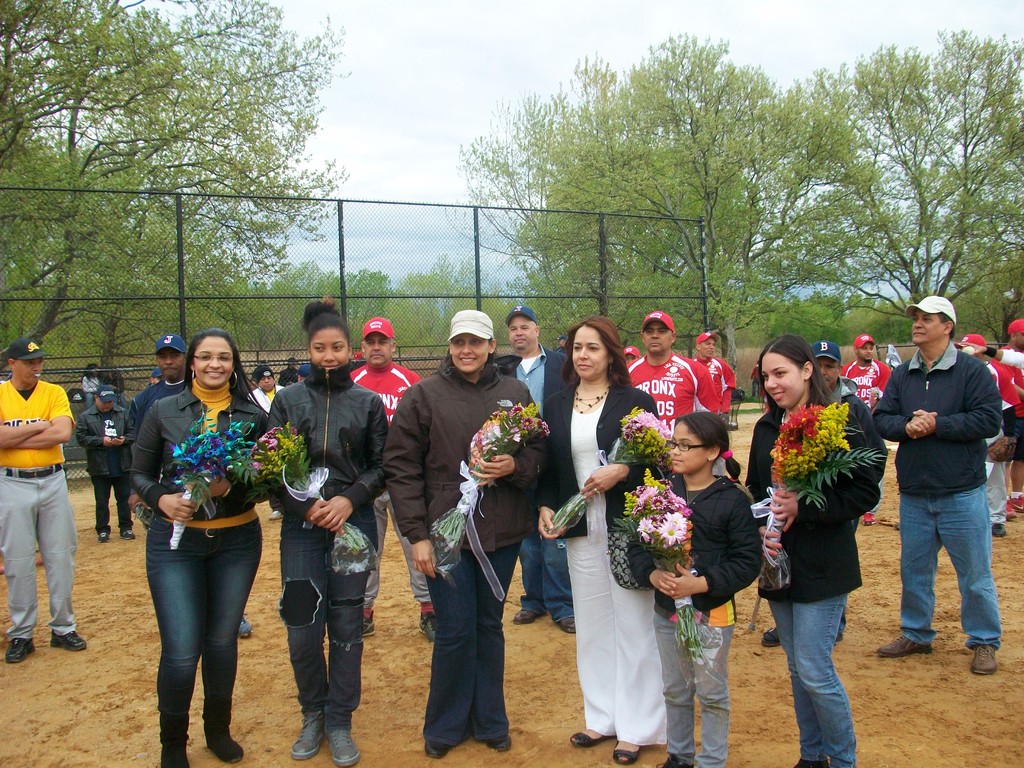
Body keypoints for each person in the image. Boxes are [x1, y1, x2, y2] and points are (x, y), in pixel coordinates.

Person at [385, 309, 544, 759]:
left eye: (476, 342)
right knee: (454, 629)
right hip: (445, 532)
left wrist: (515, 465)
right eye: (459, 343)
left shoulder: (515, 392)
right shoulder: (423, 396)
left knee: (488, 625)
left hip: (503, 529)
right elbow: (400, 468)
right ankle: (446, 724)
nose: (467, 350)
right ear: (450, 347)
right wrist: (416, 534)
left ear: (492, 346)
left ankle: (490, 720)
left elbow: (537, 453)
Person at [130, 328, 267, 768]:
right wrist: (162, 499)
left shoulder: (252, 414)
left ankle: (217, 731)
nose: (214, 365)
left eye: (223, 357)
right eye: (205, 357)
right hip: (176, 546)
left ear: (234, 363)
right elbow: (138, 473)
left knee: (222, 641)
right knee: (182, 648)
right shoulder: (162, 409)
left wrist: (237, 483)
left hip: (237, 542)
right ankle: (173, 743)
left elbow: (268, 481)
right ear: (191, 361)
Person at [747, 334, 883, 768]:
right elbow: (755, 488)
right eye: (766, 375)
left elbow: (864, 489)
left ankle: (842, 760)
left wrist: (804, 507)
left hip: (824, 561)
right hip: (778, 562)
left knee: (814, 668)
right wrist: (760, 529)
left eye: (781, 373)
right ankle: (811, 755)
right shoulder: (768, 426)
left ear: (808, 370)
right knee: (795, 667)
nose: (772, 383)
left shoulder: (841, 419)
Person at [538, 315, 665, 766]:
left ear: (611, 353)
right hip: (579, 528)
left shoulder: (635, 401)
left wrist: (623, 470)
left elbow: (659, 463)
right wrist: (546, 505)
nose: (584, 356)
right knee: (592, 623)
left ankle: (638, 726)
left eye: (593, 347)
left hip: (625, 527)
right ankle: (602, 717)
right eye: (577, 348)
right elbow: (549, 469)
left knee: (633, 622)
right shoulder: (554, 404)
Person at [268, 298, 388, 767]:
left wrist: (348, 499)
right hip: (301, 530)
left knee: (345, 625)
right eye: (320, 348)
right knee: (302, 626)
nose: (329, 356)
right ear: (309, 350)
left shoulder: (368, 403)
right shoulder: (287, 400)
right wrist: (305, 505)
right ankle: (312, 712)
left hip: (352, 528)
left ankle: (339, 720)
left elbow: (382, 467)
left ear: (350, 350)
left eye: (338, 347)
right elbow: (270, 468)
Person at [873, 297, 1002, 675]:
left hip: (961, 491)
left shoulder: (972, 372)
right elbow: (882, 418)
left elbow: (988, 421)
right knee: (914, 570)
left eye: (926, 318)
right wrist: (907, 427)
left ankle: (983, 640)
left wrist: (937, 424)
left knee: (975, 573)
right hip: (914, 491)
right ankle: (916, 632)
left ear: (947, 326)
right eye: (915, 318)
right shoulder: (902, 374)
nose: (917, 324)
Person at [628, 412, 761, 768]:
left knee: (712, 691)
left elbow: (748, 561)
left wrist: (700, 583)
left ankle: (712, 761)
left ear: (714, 451)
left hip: (712, 612)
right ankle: (680, 756)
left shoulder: (732, 500)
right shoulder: (658, 495)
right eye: (673, 443)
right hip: (666, 611)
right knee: (675, 688)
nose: (675, 451)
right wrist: (654, 577)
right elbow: (636, 547)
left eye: (686, 445)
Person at [0, 337, 87, 664]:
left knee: (61, 556)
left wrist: (15, 436)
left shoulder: (53, 392)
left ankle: (63, 627)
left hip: (52, 481)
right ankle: (21, 634)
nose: (36, 366)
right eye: (28, 362)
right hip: (11, 483)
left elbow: (62, 433)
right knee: (18, 560)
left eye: (38, 361)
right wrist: (39, 426)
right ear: (12, 363)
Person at [351, 316, 433, 641]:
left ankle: (429, 610)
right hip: (364, 482)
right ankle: (363, 611)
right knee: (366, 550)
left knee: (418, 545)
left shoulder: (410, 380)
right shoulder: (351, 380)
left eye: (382, 341)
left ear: (392, 345)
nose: (376, 347)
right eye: (370, 341)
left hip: (403, 480)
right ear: (362, 347)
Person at [502, 304, 574, 634]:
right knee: (527, 541)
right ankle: (534, 600)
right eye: (513, 328)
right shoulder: (502, 371)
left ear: (537, 330)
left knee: (556, 537)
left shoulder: (562, 365)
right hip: (517, 463)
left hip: (555, 460)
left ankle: (562, 604)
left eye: (525, 326)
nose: (519, 332)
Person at [953, 334, 1018, 538]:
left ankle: (996, 519)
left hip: (990, 431)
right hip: (964, 430)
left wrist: (1009, 436)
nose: (964, 351)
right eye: (960, 347)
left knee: (995, 478)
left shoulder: (995, 372)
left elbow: (1008, 405)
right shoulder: (955, 371)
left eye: (968, 348)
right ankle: (964, 517)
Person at [629, 310, 714, 430]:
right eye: (649, 331)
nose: (655, 335)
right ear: (642, 337)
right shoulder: (628, 371)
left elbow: (710, 414)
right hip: (640, 447)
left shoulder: (695, 370)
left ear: (673, 337)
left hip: (680, 446)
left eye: (662, 331)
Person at [75, 385, 135, 543]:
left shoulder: (122, 413)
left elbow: (132, 432)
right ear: (96, 398)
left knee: (123, 498)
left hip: (122, 463)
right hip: (99, 466)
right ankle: (102, 529)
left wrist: (124, 440)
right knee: (102, 500)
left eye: (110, 401)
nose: (108, 404)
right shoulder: (86, 416)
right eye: (105, 401)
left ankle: (126, 527)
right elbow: (81, 438)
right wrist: (100, 441)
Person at [692, 331, 737, 422]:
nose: (711, 347)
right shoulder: (690, 366)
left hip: (716, 413)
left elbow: (728, 387)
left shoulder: (720, 365)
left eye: (713, 344)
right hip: (696, 414)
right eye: (708, 344)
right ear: (698, 346)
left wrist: (725, 411)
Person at [841, 334, 891, 410]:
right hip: (852, 414)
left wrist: (870, 417)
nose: (869, 351)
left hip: (874, 415)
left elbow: (883, 398)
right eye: (864, 348)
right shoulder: (846, 370)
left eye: (871, 348)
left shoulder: (882, 369)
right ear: (855, 350)